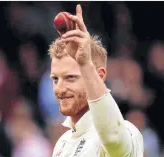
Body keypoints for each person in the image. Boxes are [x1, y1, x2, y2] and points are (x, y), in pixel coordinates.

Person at [49, 4, 143, 157]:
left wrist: (85, 63)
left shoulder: (129, 131)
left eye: (70, 78)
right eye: (55, 79)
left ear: (99, 76)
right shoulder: (62, 143)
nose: (59, 88)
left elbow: (113, 138)